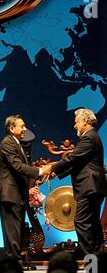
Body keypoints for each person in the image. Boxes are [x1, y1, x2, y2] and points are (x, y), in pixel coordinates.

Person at [0, 115, 50, 264]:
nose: (25, 129)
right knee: (12, 230)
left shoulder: (18, 144)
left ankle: (16, 260)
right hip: (9, 193)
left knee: (16, 228)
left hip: (16, 194)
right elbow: (18, 167)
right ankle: (14, 262)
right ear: (12, 129)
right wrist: (39, 171)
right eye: (22, 126)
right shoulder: (8, 143)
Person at [49, 108, 107, 255]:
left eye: (76, 122)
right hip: (93, 188)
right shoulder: (93, 136)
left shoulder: (89, 137)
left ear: (85, 121)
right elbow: (79, 163)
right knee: (93, 225)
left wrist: (51, 169)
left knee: (81, 222)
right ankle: (96, 265)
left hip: (89, 187)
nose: (75, 126)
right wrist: (55, 173)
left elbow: (72, 158)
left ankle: (90, 264)